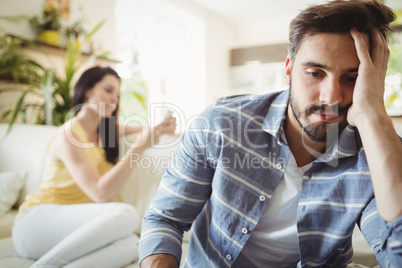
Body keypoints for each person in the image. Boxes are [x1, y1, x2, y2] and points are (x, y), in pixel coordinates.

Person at [138, 0, 402, 267]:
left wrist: (372, 115)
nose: (331, 97)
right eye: (314, 73)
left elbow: (397, 252)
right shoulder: (221, 124)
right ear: (288, 69)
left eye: (352, 78)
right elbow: (165, 218)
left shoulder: (377, 151)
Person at [11, 66, 176, 267]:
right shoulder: (69, 136)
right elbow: (100, 194)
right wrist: (139, 147)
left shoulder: (105, 132)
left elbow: (147, 130)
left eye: (117, 93)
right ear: (87, 90)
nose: (114, 99)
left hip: (77, 230)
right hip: (35, 225)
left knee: (134, 243)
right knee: (128, 214)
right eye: (108, 90)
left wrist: (162, 128)